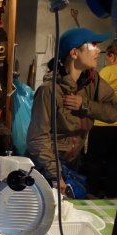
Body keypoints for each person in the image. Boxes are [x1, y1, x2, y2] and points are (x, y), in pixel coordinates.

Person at [26, 28, 117, 197]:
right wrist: (56, 175)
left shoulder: (93, 82)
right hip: (49, 166)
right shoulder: (49, 90)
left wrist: (86, 105)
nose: (98, 50)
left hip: (75, 164)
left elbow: (114, 111)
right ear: (74, 53)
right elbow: (37, 138)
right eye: (92, 45)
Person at [84, 42, 117, 197]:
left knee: (95, 162)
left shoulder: (105, 73)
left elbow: (92, 95)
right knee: (114, 164)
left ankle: (93, 193)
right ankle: (111, 196)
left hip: (102, 125)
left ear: (111, 56)